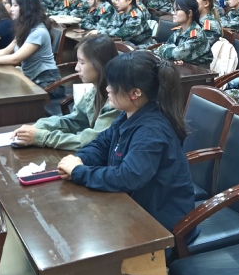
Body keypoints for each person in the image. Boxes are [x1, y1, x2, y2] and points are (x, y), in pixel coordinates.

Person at [57, 51, 196, 236]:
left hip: (161, 225)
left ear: (135, 93)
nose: (107, 88)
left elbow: (128, 177)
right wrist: (79, 160)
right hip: (133, 205)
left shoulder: (152, 131)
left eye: (113, 84)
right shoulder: (128, 114)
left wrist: (79, 172)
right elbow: (102, 144)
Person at [12, 35, 120, 150]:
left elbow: (92, 141)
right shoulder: (96, 90)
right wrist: (38, 126)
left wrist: (42, 137)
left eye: (82, 62)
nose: (77, 68)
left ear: (99, 65)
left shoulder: (116, 100)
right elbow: (75, 120)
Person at [0, 0, 61, 88]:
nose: (11, 9)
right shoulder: (24, 27)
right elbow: (6, 51)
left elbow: (15, 59)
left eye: (15, 5)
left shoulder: (38, 31)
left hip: (46, 83)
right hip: (32, 79)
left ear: (26, 7)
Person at [155, 0, 211, 65]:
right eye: (173, 9)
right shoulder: (180, 30)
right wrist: (173, 56)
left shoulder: (196, 35)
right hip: (182, 67)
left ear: (189, 13)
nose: (173, 13)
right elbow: (165, 46)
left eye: (177, 10)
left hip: (198, 70)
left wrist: (173, 55)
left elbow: (174, 54)